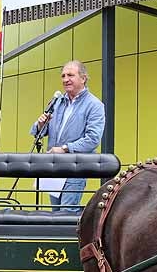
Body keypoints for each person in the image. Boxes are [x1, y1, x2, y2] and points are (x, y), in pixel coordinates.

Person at [30, 60, 106, 211]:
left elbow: (92, 139)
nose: (65, 79)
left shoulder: (94, 105)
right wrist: (40, 125)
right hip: (54, 166)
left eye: (70, 75)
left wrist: (65, 149)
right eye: (63, 76)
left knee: (67, 212)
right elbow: (39, 132)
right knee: (56, 213)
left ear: (83, 78)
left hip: (75, 166)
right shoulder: (57, 101)